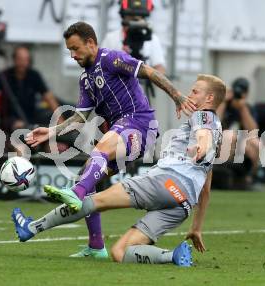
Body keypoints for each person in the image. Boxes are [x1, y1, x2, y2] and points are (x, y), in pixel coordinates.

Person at [20, 22, 196, 258]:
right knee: (87, 179)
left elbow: (150, 72)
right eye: (69, 51)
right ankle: (95, 246)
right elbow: (81, 116)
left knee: (98, 152)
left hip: (139, 124)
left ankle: (76, 193)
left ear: (91, 43)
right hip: (121, 131)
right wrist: (52, 131)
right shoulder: (86, 79)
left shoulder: (112, 59)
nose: (73, 55)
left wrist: (176, 95)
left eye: (76, 48)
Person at [12, 74, 226, 266]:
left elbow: (202, 134)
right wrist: (196, 227)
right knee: (119, 252)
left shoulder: (203, 117)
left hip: (166, 182)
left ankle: (31, 228)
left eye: (195, 91)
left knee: (90, 202)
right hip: (183, 204)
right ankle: (173, 256)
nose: (190, 94)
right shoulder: (217, 129)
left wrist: (201, 144)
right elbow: (205, 187)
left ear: (209, 99)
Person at [0, 46, 64, 154]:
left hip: (30, 120)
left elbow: (48, 97)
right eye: (20, 59)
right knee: (19, 144)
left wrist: (60, 119)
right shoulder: (4, 75)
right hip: (9, 121)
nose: (23, 62)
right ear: (14, 60)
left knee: (51, 143)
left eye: (26, 59)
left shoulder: (34, 75)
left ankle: (50, 168)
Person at [216, 77, 259, 186]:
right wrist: (224, 102)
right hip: (221, 142)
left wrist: (242, 108)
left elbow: (253, 130)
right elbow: (214, 123)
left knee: (256, 144)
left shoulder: (247, 108)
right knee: (229, 136)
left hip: (240, 143)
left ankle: (250, 177)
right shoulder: (222, 105)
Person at [102, 15, 166, 74]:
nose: (134, 23)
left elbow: (159, 67)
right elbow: (101, 63)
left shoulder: (152, 39)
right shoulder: (110, 38)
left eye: (137, 20)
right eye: (131, 18)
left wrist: (148, 74)